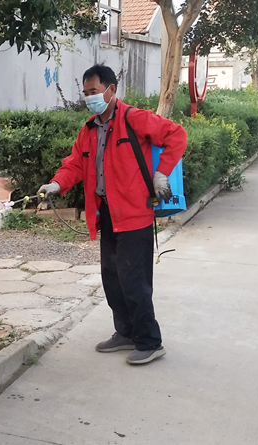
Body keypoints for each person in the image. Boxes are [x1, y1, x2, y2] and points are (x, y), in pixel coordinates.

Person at [38, 64, 186, 365]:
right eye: (85, 93)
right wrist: (56, 184)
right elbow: (75, 164)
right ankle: (126, 332)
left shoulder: (134, 118)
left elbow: (177, 135)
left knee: (134, 281)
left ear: (111, 90)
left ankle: (150, 341)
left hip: (134, 214)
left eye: (93, 91)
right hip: (107, 213)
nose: (89, 98)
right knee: (112, 278)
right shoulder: (89, 130)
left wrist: (161, 173)